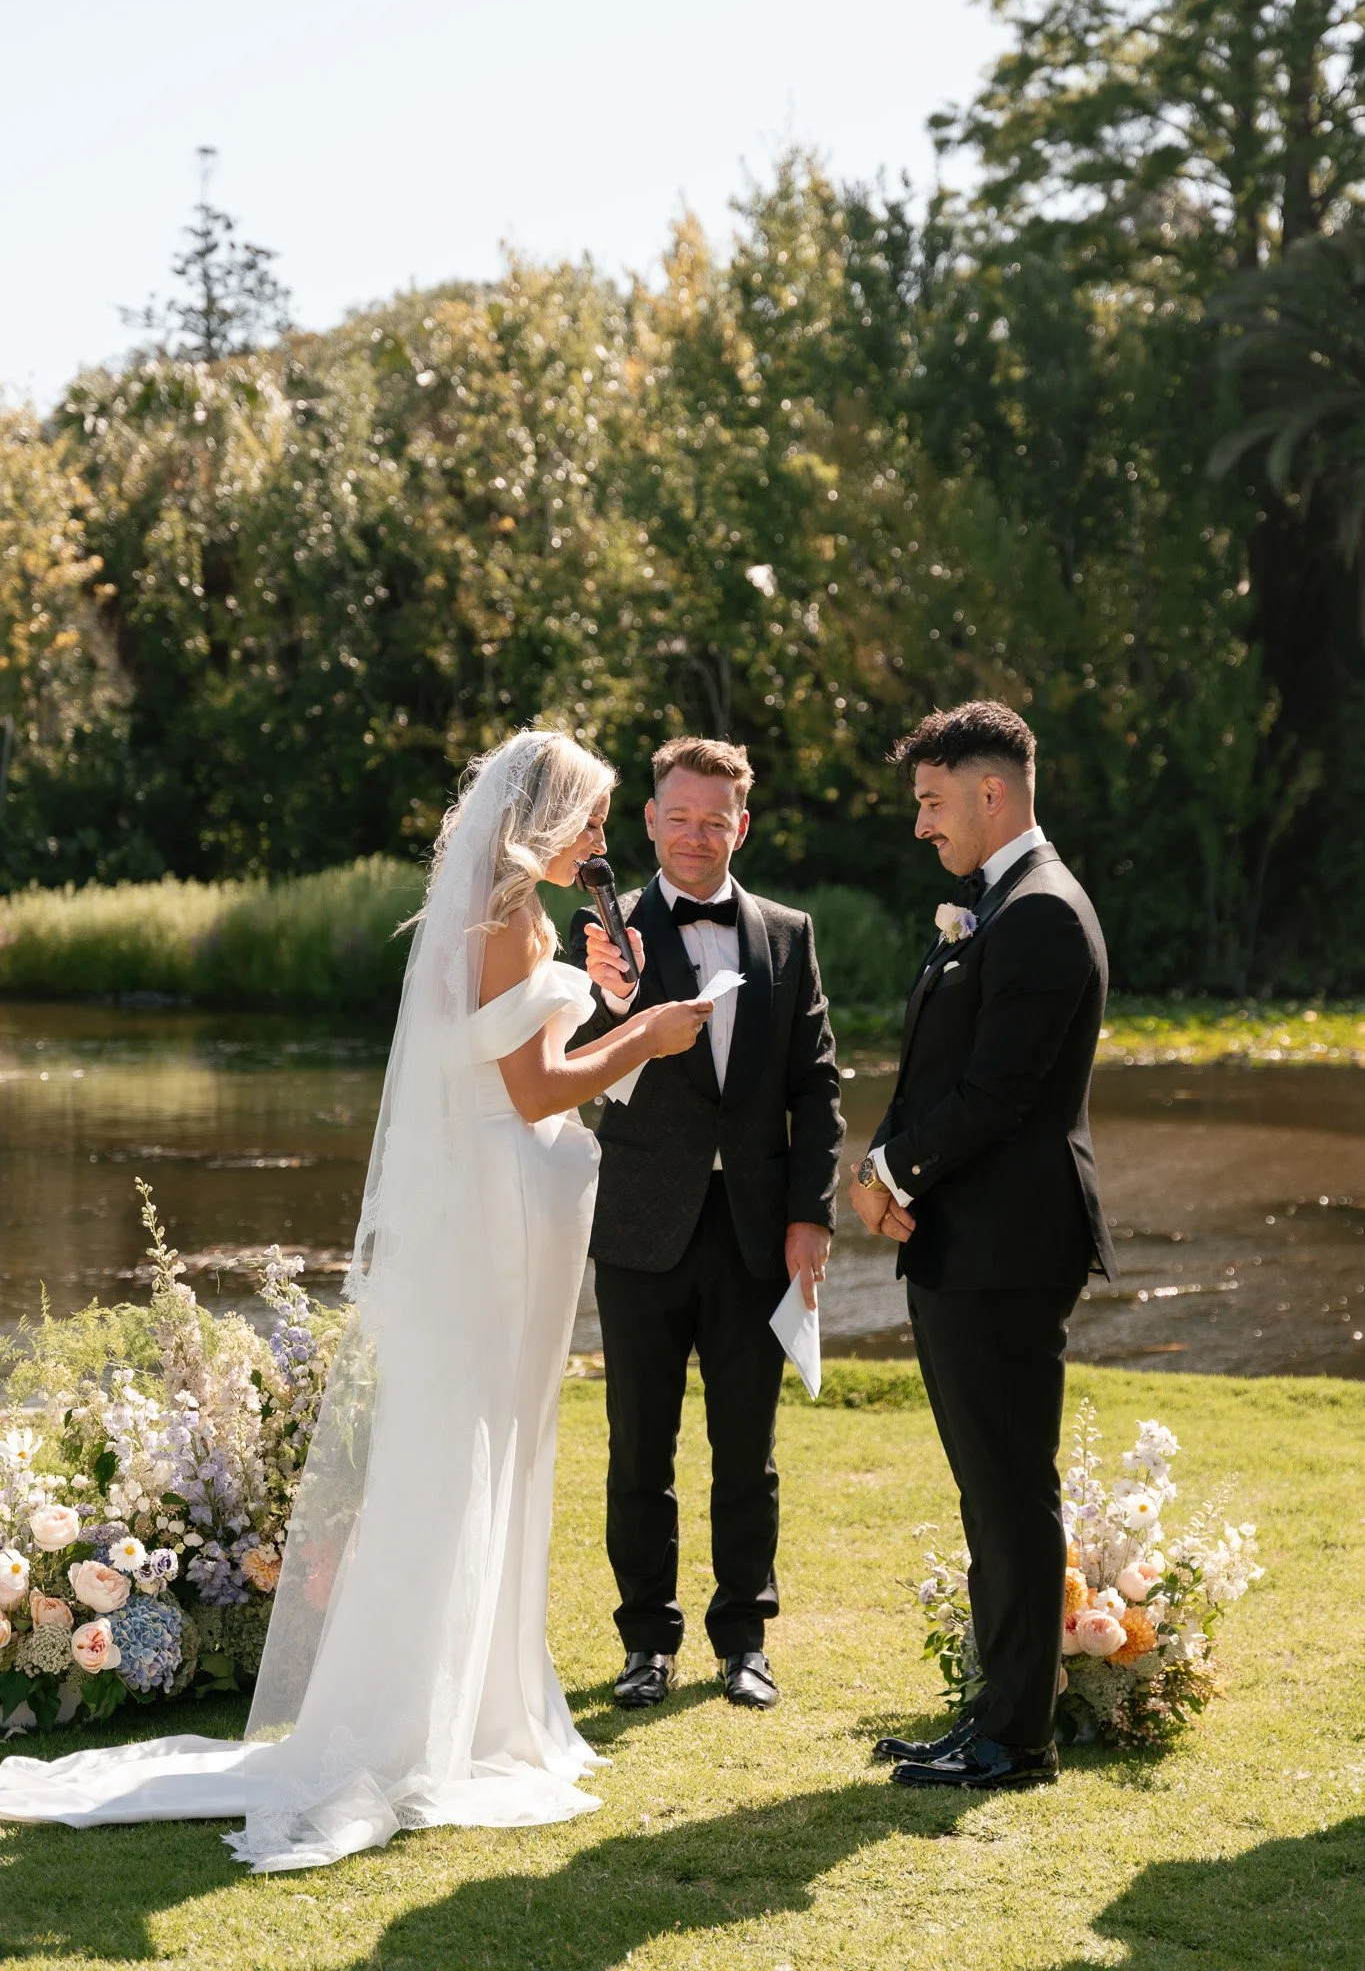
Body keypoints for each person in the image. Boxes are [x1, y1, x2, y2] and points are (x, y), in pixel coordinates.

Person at [0, 730, 714, 1870]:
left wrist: (600, 1005)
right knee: (473, 1444)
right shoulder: (501, 923)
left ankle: (486, 1702)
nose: (600, 839)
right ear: (544, 818)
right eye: (590, 817)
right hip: (498, 1207)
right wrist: (649, 1031)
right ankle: (426, 1720)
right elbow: (530, 1085)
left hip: (511, 1195)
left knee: (506, 1444)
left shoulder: (510, 921)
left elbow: (518, 1061)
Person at [850, 701, 1116, 1792]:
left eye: (930, 799)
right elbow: (934, 1073)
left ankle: (1020, 1740)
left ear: (990, 792)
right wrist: (884, 1155)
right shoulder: (994, 904)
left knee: (1009, 1488)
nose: (921, 825)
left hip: (1008, 1241)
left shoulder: (1042, 912)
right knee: (986, 1488)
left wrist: (885, 1174)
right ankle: (993, 1716)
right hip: (966, 1235)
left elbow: (1000, 1094)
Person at [567, 737, 844, 1712]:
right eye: (677, 817)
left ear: (743, 824)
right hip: (640, 1229)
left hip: (757, 1232)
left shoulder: (787, 932)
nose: (695, 835)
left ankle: (745, 1639)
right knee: (639, 1444)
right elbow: (573, 1062)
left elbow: (816, 1084)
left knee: (747, 1448)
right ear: (649, 820)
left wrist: (811, 1218)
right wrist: (611, 998)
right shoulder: (603, 928)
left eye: (714, 819)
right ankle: (647, 1642)